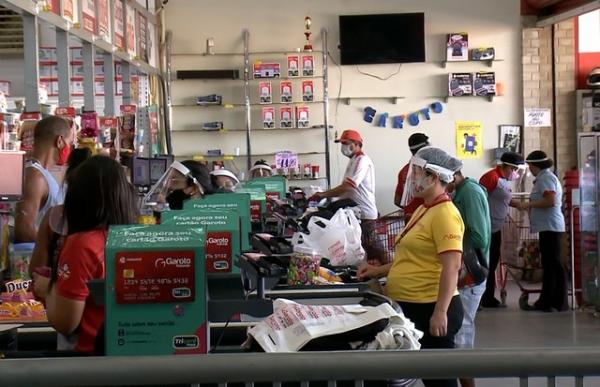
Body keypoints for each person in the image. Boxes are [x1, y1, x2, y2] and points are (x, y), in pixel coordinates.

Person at [359, 147, 464, 387]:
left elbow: (452, 266)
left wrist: (440, 312)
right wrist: (377, 271)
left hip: (430, 308)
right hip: (412, 306)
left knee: (439, 380)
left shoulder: (445, 214)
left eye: (416, 172)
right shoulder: (423, 208)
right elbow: (410, 257)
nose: (413, 178)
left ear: (434, 177)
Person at [33, 156, 138, 354]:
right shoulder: (135, 239)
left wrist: (47, 288)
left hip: (88, 358)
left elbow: (65, 323)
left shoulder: (82, 245)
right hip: (128, 353)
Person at [308, 129, 381, 262]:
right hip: (354, 213)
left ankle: (388, 272)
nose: (344, 147)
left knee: (374, 250)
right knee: (362, 252)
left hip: (364, 214)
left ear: (357, 143)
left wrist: (323, 195)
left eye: (346, 143)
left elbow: (348, 186)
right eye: (342, 143)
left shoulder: (361, 160)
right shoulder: (353, 160)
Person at [448, 168, 491, 387]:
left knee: (462, 331)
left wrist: (449, 240)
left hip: (471, 273)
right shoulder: (460, 192)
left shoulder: (470, 193)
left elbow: (479, 237)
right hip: (463, 271)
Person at [29, 148, 92, 277]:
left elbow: (37, 270)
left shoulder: (55, 216)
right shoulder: (108, 221)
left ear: (68, 179)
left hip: (55, 291)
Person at [521, 151, 568, 312]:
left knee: (553, 265)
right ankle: (551, 301)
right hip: (548, 227)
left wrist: (528, 205)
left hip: (551, 227)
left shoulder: (546, 178)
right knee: (551, 264)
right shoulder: (544, 178)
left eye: (530, 166)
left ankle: (552, 302)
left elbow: (550, 200)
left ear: (535, 165)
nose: (529, 169)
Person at [14, 116, 73, 243]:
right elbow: (24, 231)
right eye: (70, 144)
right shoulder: (35, 177)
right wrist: (59, 244)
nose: (70, 149)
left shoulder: (41, 175)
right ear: (60, 142)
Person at [478, 151, 525, 308]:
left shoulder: (503, 180)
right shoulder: (491, 177)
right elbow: (479, 199)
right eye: (515, 170)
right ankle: (485, 298)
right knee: (488, 263)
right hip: (487, 229)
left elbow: (507, 199)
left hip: (496, 228)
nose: (516, 173)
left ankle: (489, 296)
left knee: (493, 262)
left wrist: (523, 205)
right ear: (509, 167)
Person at [394, 133, 430, 220]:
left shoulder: (403, 171)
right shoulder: (430, 171)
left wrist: (411, 209)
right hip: (426, 221)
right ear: (424, 149)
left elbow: (397, 201)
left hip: (410, 221)